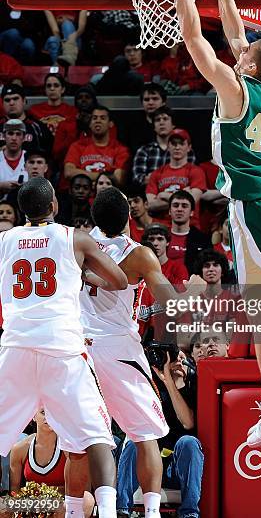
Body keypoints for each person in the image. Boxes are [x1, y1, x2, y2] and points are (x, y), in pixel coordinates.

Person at [166, 0, 261, 448]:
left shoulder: (233, 86)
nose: (235, 51)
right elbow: (232, 29)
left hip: (253, 200)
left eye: (241, 53)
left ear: (247, 64)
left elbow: (194, 38)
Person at [0, 176, 129, 518]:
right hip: (62, 349)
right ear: (54, 205)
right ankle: (108, 512)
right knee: (98, 437)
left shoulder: (4, 240)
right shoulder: (76, 238)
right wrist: (83, 274)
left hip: (15, 347)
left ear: (19, 210)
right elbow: (119, 281)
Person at [80, 187, 206, 518]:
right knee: (145, 434)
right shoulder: (139, 255)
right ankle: (150, 512)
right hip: (119, 347)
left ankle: (86, 511)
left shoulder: (76, 245)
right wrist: (193, 290)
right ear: (130, 217)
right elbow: (172, 304)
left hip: (80, 348)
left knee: (83, 441)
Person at [117, 348, 204, 518]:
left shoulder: (195, 384)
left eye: (179, 357)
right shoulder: (151, 387)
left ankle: (190, 514)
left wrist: (169, 382)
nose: (175, 362)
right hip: (149, 464)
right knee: (136, 444)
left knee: (189, 442)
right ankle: (121, 510)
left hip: (177, 468)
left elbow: (187, 422)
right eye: (170, 358)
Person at [9, 409, 94, 517]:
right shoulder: (19, 449)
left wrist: (45, 493)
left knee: (87, 499)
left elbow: (83, 490)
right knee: (3, 505)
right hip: (31, 505)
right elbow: (14, 492)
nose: (48, 417)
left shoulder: (72, 448)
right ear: (33, 417)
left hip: (62, 506)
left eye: (53, 412)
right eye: (43, 412)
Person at [146, 129, 206, 224]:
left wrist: (163, 195)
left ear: (189, 147)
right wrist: (182, 194)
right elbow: (151, 205)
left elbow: (191, 201)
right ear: (168, 146)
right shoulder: (157, 173)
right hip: (162, 227)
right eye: (174, 144)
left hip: (190, 225)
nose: (177, 147)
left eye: (181, 143)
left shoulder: (196, 171)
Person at [64, 106, 131, 188]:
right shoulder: (77, 146)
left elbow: (118, 178)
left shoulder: (120, 149)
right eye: (94, 118)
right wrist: (103, 176)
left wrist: (87, 177)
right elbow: (68, 172)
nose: (98, 121)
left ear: (110, 124)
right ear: (90, 123)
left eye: (102, 118)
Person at [0, 85, 53, 156]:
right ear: (2, 104)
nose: (11, 103)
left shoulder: (38, 128)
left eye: (15, 98)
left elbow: (48, 156)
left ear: (24, 101)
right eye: (7, 100)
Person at [167, 191, 211, 275]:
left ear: (192, 212)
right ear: (169, 211)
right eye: (175, 205)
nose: (179, 209)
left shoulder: (203, 239)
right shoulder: (159, 237)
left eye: (184, 206)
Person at [0, 119, 28, 201]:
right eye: (10, 133)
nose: (14, 138)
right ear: (4, 136)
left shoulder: (31, 159)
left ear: (23, 138)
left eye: (18, 134)